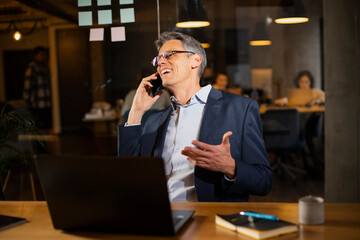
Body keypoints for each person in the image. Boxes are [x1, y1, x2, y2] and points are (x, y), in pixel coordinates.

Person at [117, 32, 273, 202]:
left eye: (170, 55)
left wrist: (230, 167)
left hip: (210, 220)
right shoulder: (154, 121)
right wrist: (136, 111)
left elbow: (264, 181)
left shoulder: (239, 109)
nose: (160, 62)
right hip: (161, 219)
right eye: (158, 59)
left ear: (195, 61)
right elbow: (128, 177)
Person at [23, 46, 52, 130]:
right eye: (42, 55)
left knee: (46, 127)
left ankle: (45, 143)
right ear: (35, 56)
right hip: (37, 105)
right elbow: (27, 85)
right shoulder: (32, 68)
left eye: (45, 55)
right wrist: (27, 101)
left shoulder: (45, 68)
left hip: (47, 104)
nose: (44, 57)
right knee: (38, 128)